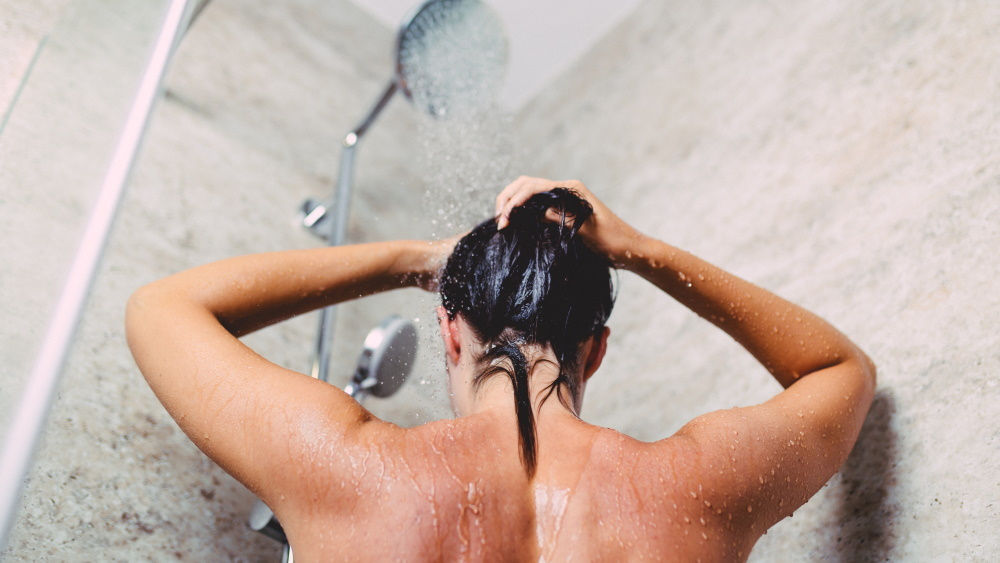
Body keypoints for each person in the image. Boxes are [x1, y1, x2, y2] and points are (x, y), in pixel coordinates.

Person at [126, 176, 875, 561]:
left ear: (451, 336)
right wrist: (643, 250)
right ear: (597, 349)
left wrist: (416, 259)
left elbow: (163, 308)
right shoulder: (693, 487)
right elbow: (840, 369)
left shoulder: (350, 473)